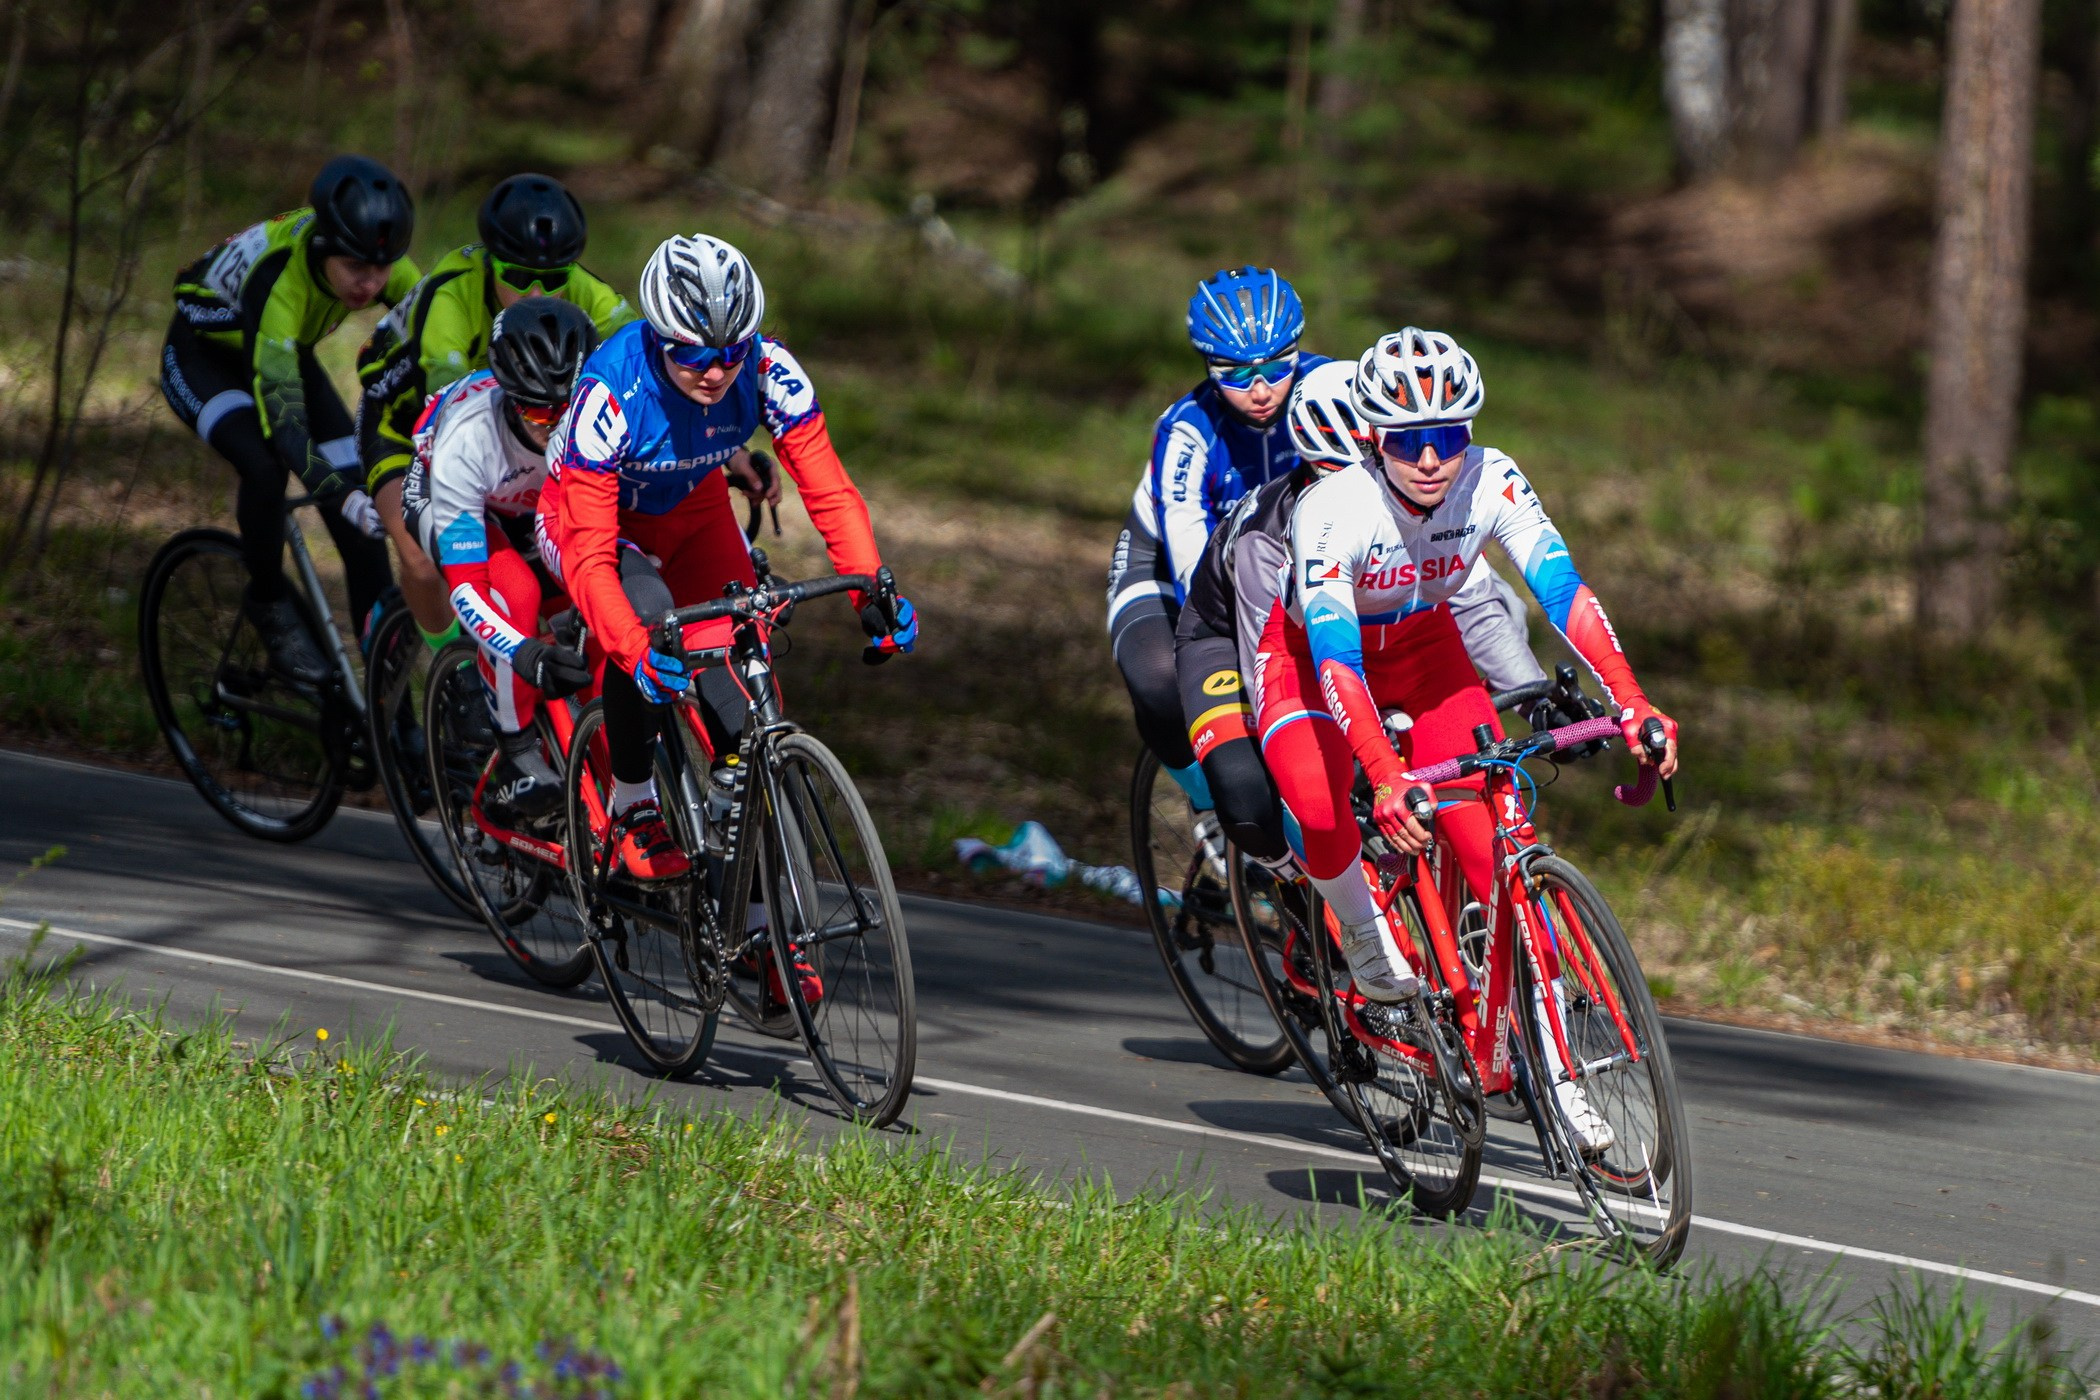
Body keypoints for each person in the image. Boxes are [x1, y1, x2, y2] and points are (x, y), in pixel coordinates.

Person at [1258, 328, 1678, 1150]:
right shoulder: (1333, 509)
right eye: (1408, 440)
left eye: (1447, 437)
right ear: (1375, 439)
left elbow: (1561, 589)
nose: (1429, 460)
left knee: (1499, 848)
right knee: (1318, 804)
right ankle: (1373, 955)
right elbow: (1338, 661)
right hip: (1313, 662)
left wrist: (1630, 700)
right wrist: (1383, 772)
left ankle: (1555, 1071)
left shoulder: (1494, 479)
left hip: (1424, 650)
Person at [539, 232, 917, 885]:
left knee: (744, 703)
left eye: (730, 352)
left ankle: (757, 927)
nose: (714, 371)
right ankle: (633, 805)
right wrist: (631, 647)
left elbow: (828, 489)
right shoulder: (613, 393)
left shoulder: (770, 370)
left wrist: (871, 592)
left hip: (694, 513)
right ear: (658, 338)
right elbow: (591, 554)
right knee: (651, 625)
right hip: (594, 526)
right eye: (691, 354)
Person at [1174, 360, 1550, 870]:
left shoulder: (1413, 501)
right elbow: (1271, 669)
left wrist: (1538, 701)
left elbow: (1476, 607)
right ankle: (1297, 893)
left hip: (1359, 637)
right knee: (1256, 793)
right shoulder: (1271, 540)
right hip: (1230, 637)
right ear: (1312, 467)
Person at [161, 154, 419, 682]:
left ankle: (387, 721)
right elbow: (286, 424)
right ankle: (270, 604)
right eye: (355, 269)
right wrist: (339, 494)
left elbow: (439, 342)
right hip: (204, 357)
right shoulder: (281, 279)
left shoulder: (375, 262)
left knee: (364, 530)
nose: (370, 286)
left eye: (382, 270)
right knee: (264, 466)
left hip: (282, 351)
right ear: (324, 248)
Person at [358, 174, 634, 654]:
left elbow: (644, 361)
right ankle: (454, 668)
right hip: (406, 425)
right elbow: (449, 416)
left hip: (517, 428)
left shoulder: (586, 290)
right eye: (517, 277)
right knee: (425, 559)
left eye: (552, 281)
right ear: (489, 264)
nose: (535, 293)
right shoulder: (452, 295)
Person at [1108, 267, 1330, 814]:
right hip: (1165, 568)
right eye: (1236, 374)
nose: (1260, 389)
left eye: (1278, 365)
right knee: (1161, 683)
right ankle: (1212, 812)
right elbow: (1192, 569)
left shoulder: (1334, 386)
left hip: (1281, 563)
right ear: (1208, 367)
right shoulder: (1187, 431)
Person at [402, 297, 598, 819]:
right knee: (515, 594)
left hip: (529, 503)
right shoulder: (471, 439)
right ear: (511, 399)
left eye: (568, 409)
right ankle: (515, 752)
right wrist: (525, 653)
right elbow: (466, 591)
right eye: (538, 410)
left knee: (590, 606)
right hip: (454, 497)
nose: (555, 426)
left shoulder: (597, 419)